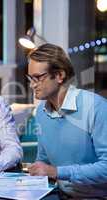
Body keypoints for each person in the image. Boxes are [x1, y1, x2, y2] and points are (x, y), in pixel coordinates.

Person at [27, 43, 107, 198]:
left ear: (59, 75)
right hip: (60, 194)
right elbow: (43, 161)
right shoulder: (42, 113)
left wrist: (57, 172)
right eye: (30, 78)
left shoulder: (96, 107)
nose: (32, 85)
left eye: (37, 78)